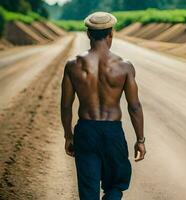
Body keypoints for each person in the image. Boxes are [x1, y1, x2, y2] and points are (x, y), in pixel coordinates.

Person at [60, 12, 146, 200]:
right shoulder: (124, 66)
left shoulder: (73, 65)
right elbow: (135, 107)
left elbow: (66, 106)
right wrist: (140, 140)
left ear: (88, 34)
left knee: (88, 189)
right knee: (116, 183)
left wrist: (68, 136)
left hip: (86, 130)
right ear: (111, 34)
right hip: (112, 132)